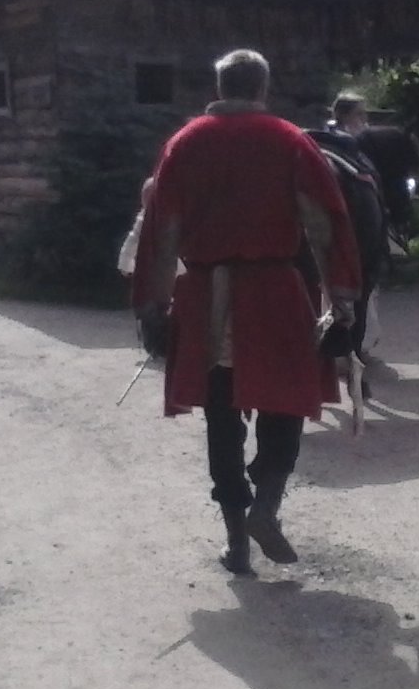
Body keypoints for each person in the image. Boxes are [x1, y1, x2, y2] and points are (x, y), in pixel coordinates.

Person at [132, 49, 363, 575]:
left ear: (219, 87)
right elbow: (324, 225)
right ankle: (266, 507)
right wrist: (342, 299)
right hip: (274, 294)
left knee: (221, 419)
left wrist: (153, 307)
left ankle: (236, 542)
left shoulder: (184, 144)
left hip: (204, 297)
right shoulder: (290, 141)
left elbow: (162, 233)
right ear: (262, 88)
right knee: (286, 404)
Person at [308, 93, 390, 374]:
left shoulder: (320, 141)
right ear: (344, 116)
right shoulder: (353, 147)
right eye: (359, 115)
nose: (364, 121)